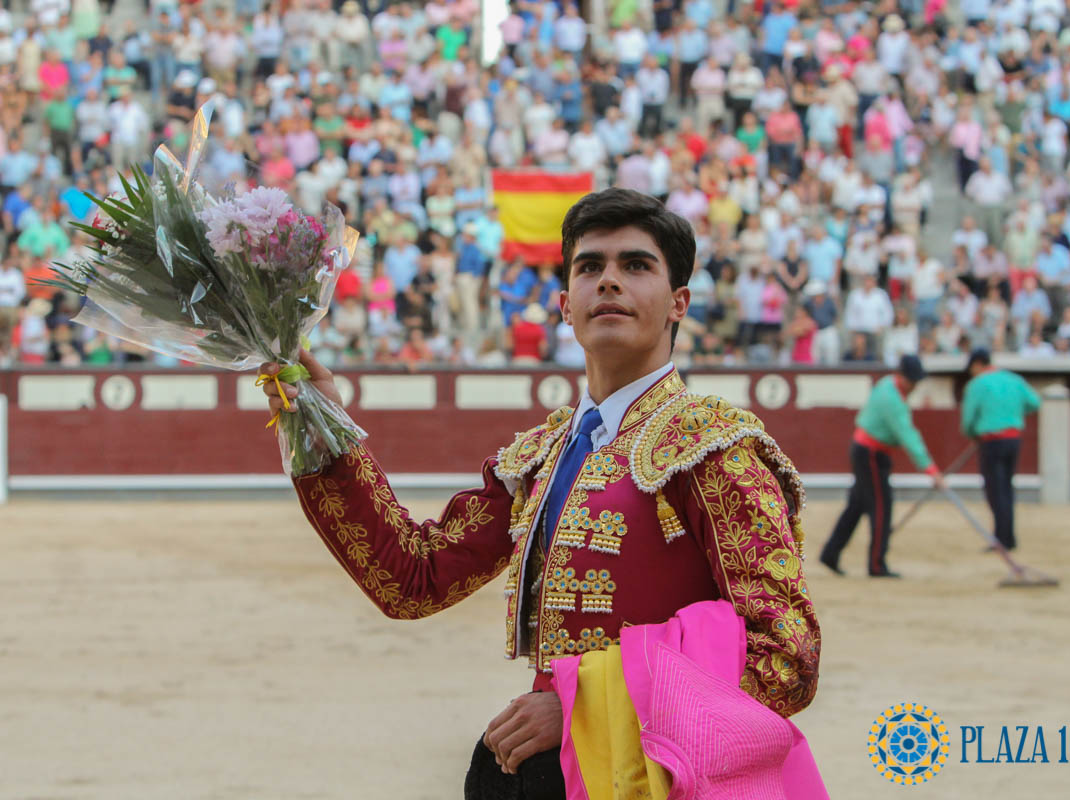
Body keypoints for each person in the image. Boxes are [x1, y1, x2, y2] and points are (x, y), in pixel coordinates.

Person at [258, 189, 820, 796]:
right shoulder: (542, 455)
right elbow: (412, 578)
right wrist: (321, 425)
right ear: (564, 304)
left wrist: (588, 708)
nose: (608, 282)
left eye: (635, 266)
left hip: (662, 779)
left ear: (678, 303)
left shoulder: (716, 450)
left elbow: (784, 656)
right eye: (589, 267)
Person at [820, 355, 945, 578]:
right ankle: (877, 564)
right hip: (871, 454)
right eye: (912, 381)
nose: (914, 386)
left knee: (857, 506)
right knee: (881, 507)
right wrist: (930, 469)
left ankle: (831, 553)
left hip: (865, 449)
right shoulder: (892, 398)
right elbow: (907, 435)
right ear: (901, 376)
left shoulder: (887, 384)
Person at [961, 348, 1041, 551]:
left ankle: (1002, 539)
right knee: (1006, 487)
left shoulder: (977, 384)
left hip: (991, 441)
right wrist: (1014, 414)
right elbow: (1034, 402)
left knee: (995, 490)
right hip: (1013, 439)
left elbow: (968, 420)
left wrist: (972, 435)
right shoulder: (1013, 380)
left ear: (977, 364)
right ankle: (1007, 537)